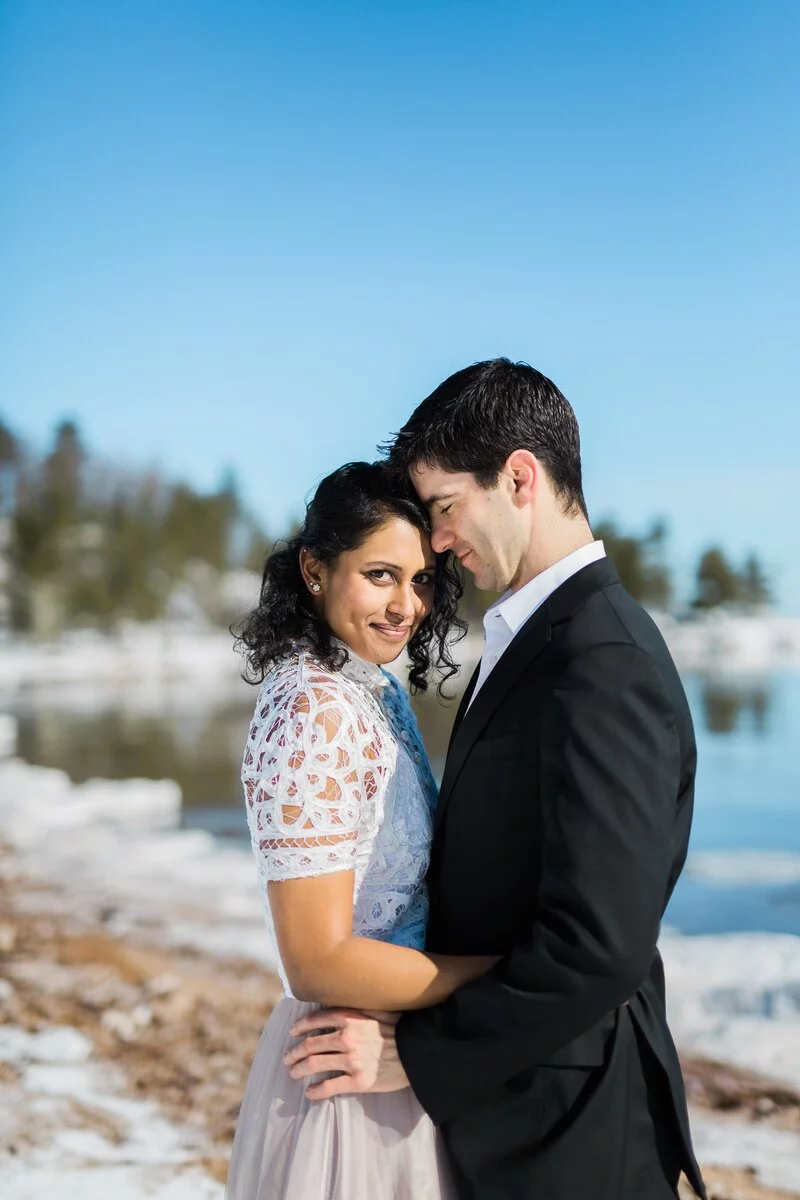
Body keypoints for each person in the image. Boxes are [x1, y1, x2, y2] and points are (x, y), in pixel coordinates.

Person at [285, 360, 707, 1200]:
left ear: (520, 477)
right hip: (519, 1104)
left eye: (444, 508)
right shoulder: (537, 633)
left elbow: (599, 943)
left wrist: (423, 1052)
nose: (437, 542)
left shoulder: (602, 659)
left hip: (571, 1124)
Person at [225, 460, 496, 1200]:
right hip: (348, 1072)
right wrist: (497, 972)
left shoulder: (363, 686)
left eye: (420, 580)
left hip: (393, 1050)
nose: (405, 605)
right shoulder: (314, 710)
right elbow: (315, 960)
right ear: (315, 569)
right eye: (381, 575)